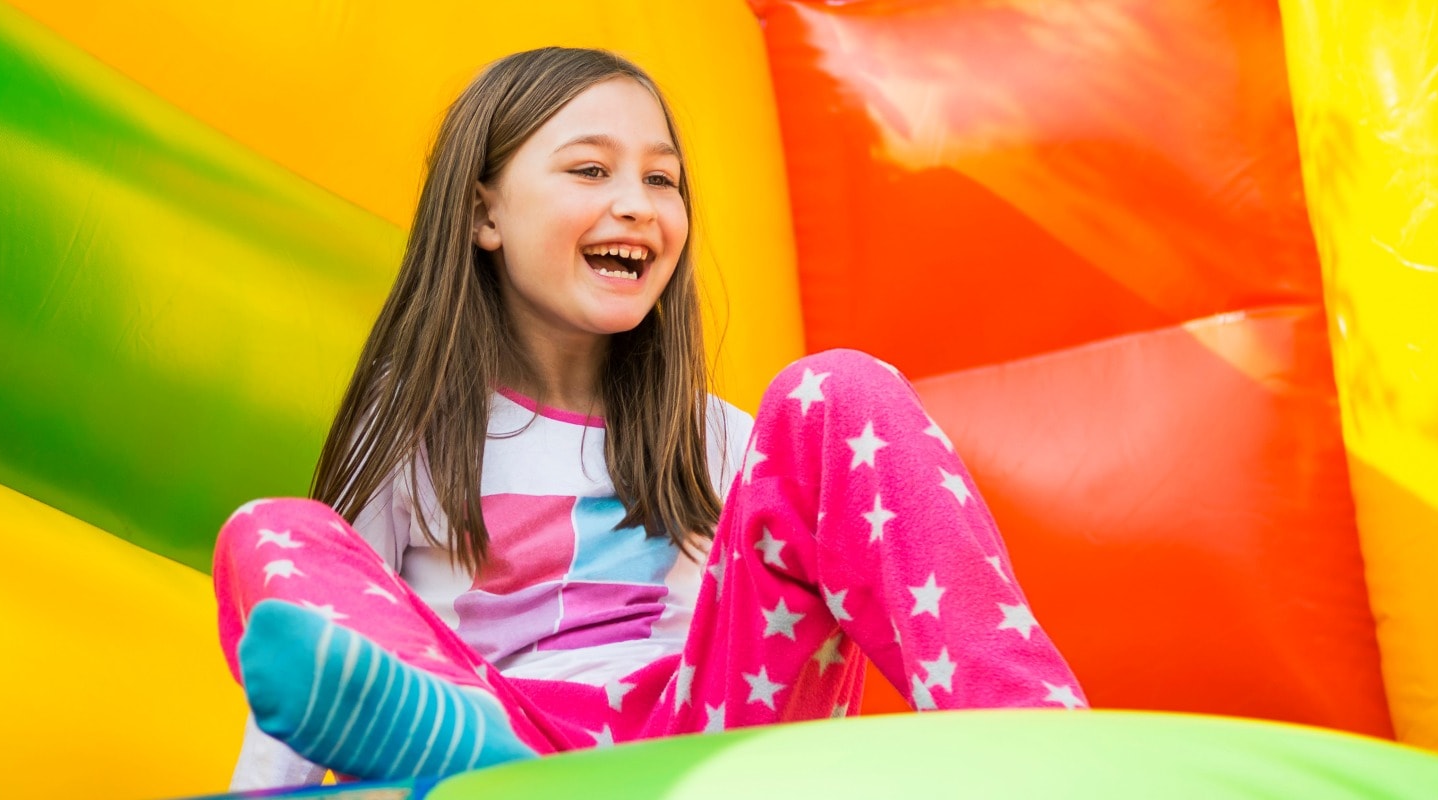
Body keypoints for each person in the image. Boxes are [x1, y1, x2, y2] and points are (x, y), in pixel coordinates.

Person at [211, 46, 1086, 791]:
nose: (636, 202)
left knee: (836, 389)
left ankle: (1040, 747)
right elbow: (321, 636)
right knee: (274, 530)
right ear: (483, 213)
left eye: (661, 179)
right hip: (505, 748)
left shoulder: (730, 443)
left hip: (703, 749)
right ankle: (473, 758)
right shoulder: (417, 426)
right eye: (590, 170)